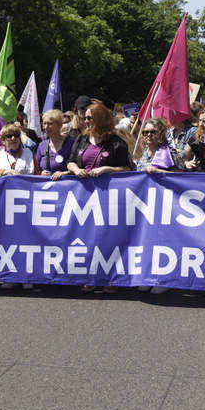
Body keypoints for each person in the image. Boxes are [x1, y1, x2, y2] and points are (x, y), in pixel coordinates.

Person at [61, 102, 132, 293]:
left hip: (108, 198)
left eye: (90, 118)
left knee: (107, 238)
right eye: (85, 118)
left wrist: (107, 169)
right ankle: (91, 276)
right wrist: (76, 169)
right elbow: (71, 162)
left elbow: (127, 169)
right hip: (84, 199)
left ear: (100, 119)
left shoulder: (116, 143)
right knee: (87, 238)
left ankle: (110, 279)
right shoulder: (81, 140)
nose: (86, 121)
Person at [35, 109, 73, 180]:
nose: (46, 127)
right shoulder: (42, 145)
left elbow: (79, 168)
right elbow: (35, 168)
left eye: (50, 124)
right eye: (44, 124)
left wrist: (64, 173)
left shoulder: (71, 143)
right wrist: (40, 173)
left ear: (59, 125)